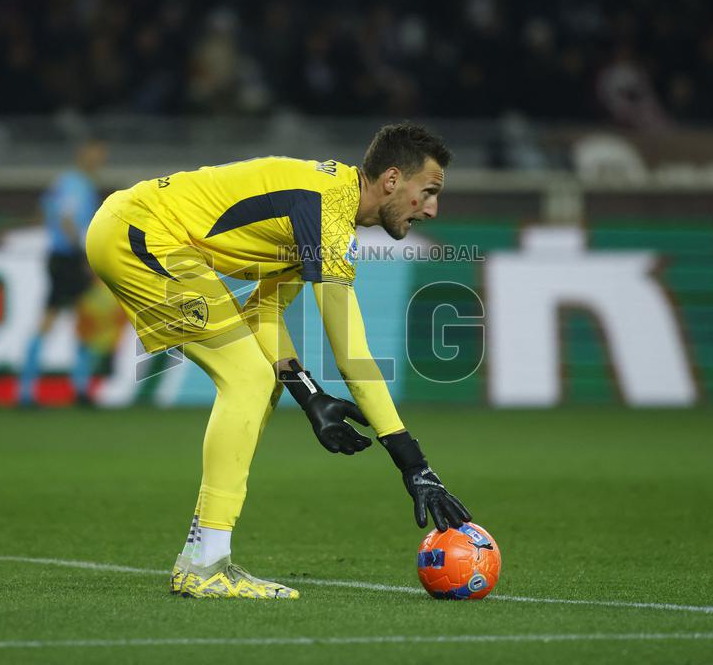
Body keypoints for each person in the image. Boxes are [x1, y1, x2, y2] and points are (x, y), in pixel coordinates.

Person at [85, 123, 470, 599]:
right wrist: (412, 462)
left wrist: (308, 396)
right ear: (392, 180)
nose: (432, 209)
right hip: (140, 233)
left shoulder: (323, 207)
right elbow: (352, 356)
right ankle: (204, 565)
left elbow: (263, 311)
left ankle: (204, 556)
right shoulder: (326, 210)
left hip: (135, 229)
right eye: (428, 192)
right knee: (247, 378)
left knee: (256, 379)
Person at [18, 139, 107, 406]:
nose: (98, 160)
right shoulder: (76, 184)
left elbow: (45, 210)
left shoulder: (66, 182)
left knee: (82, 320)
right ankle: (29, 393)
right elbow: (67, 218)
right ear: (82, 154)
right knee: (60, 320)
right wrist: (81, 254)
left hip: (63, 256)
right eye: (94, 154)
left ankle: (75, 389)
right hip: (68, 258)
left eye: (101, 155)